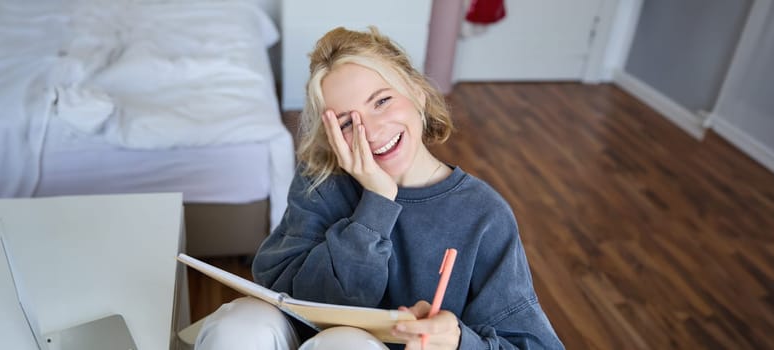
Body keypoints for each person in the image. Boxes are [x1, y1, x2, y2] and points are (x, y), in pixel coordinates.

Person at [195, 26, 563, 350]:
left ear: (418, 93)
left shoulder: (483, 215)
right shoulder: (321, 182)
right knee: (240, 321)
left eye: (382, 101)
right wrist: (376, 204)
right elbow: (289, 293)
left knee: (346, 344)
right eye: (346, 123)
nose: (369, 131)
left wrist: (457, 341)